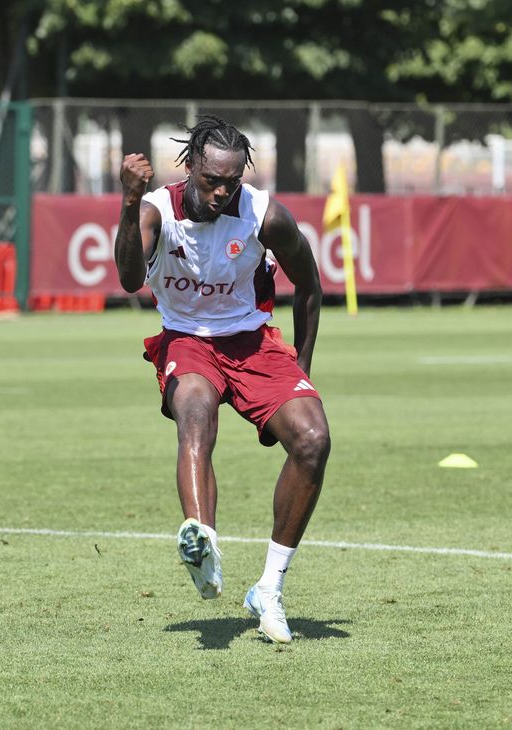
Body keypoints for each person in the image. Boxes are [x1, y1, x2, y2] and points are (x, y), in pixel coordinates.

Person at [114, 115, 330, 644]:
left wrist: (300, 366)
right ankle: (202, 544)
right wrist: (126, 202)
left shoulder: (264, 216)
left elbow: (309, 285)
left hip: (253, 341)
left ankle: (269, 588)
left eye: (232, 181)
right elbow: (128, 279)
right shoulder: (156, 211)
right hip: (187, 338)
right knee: (194, 411)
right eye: (212, 179)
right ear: (190, 169)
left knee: (313, 439)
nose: (221, 191)